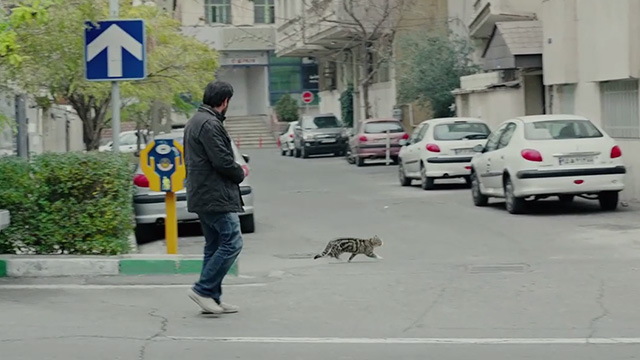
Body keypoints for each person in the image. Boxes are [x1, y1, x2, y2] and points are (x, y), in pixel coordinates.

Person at [183, 81, 245, 314]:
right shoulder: (209, 124)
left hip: (202, 193)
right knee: (232, 242)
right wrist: (239, 172)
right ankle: (203, 290)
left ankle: (213, 298)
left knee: (214, 245)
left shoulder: (196, 121)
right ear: (225, 101)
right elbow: (222, 161)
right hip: (214, 195)